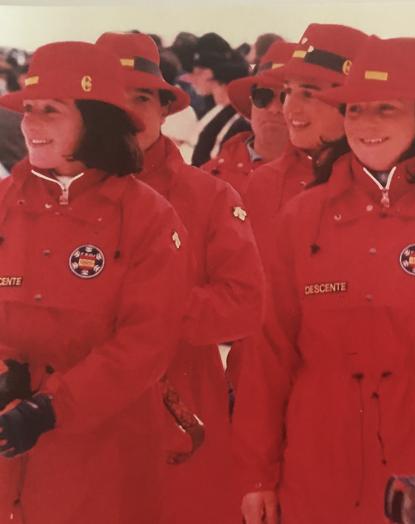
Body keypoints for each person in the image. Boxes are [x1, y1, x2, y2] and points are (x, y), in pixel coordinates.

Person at [232, 34, 415, 524]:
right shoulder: (302, 218)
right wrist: (257, 474)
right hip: (316, 466)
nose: (366, 126)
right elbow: (269, 356)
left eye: (385, 110)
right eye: (355, 110)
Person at [0, 41, 190, 523]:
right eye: (28, 109)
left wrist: (51, 407)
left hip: (104, 454)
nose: (31, 123)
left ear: (94, 118)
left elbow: (147, 341)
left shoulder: (147, 216)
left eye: (51, 110)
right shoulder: (3, 202)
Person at [95, 32, 266, 524]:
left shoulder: (209, 197)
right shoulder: (48, 200)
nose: (128, 110)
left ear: (165, 107)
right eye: (113, 97)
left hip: (178, 426)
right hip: (77, 426)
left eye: (142, 96)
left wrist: (145, 313)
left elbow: (244, 305)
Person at [223, 23, 367, 392]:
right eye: (287, 92)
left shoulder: (392, 192)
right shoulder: (264, 183)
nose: (289, 108)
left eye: (309, 92)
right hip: (259, 391)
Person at [202, 40, 294, 193]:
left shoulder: (325, 180)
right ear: (251, 102)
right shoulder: (210, 177)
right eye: (262, 97)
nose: (274, 108)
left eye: (286, 98)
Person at [187, 33, 251, 166]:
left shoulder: (235, 117)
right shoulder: (219, 109)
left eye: (195, 72)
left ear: (208, 73)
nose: (191, 79)